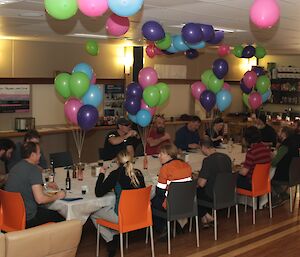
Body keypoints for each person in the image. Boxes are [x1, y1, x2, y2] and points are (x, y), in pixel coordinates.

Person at [91, 150, 145, 257]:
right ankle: (115, 235)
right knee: (110, 206)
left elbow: (98, 192)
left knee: (93, 213)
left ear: (117, 162)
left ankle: (110, 240)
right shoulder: (138, 173)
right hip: (140, 215)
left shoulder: (115, 175)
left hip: (123, 217)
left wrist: (101, 174)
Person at [5, 142, 65, 228]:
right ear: (33, 155)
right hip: (27, 219)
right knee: (61, 216)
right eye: (39, 152)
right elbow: (40, 200)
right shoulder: (33, 169)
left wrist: (44, 185)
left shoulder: (15, 167)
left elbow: (25, 184)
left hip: (11, 217)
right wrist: (58, 196)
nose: (40, 155)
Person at [151, 143, 192, 234]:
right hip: (186, 202)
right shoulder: (186, 165)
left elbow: (160, 192)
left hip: (171, 204)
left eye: (161, 154)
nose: (158, 156)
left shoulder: (165, 168)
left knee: (152, 202)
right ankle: (175, 224)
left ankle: (163, 228)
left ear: (168, 155)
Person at [197, 136, 232, 226]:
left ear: (204, 147)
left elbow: (201, 183)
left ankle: (207, 216)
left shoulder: (208, 161)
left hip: (213, 195)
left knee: (194, 192)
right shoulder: (226, 157)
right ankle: (205, 219)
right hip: (227, 193)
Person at [237, 126, 272, 190]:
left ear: (247, 139)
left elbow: (244, 172)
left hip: (252, 184)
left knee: (233, 179)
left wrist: (237, 169)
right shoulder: (266, 149)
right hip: (263, 183)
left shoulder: (252, 152)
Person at [271, 126, 299, 203]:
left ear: (284, 134)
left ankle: (277, 197)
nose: (277, 133)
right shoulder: (294, 145)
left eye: (279, 131)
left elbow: (274, 162)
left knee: (268, 179)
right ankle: (283, 194)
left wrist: (272, 156)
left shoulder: (285, 146)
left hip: (283, 175)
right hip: (294, 175)